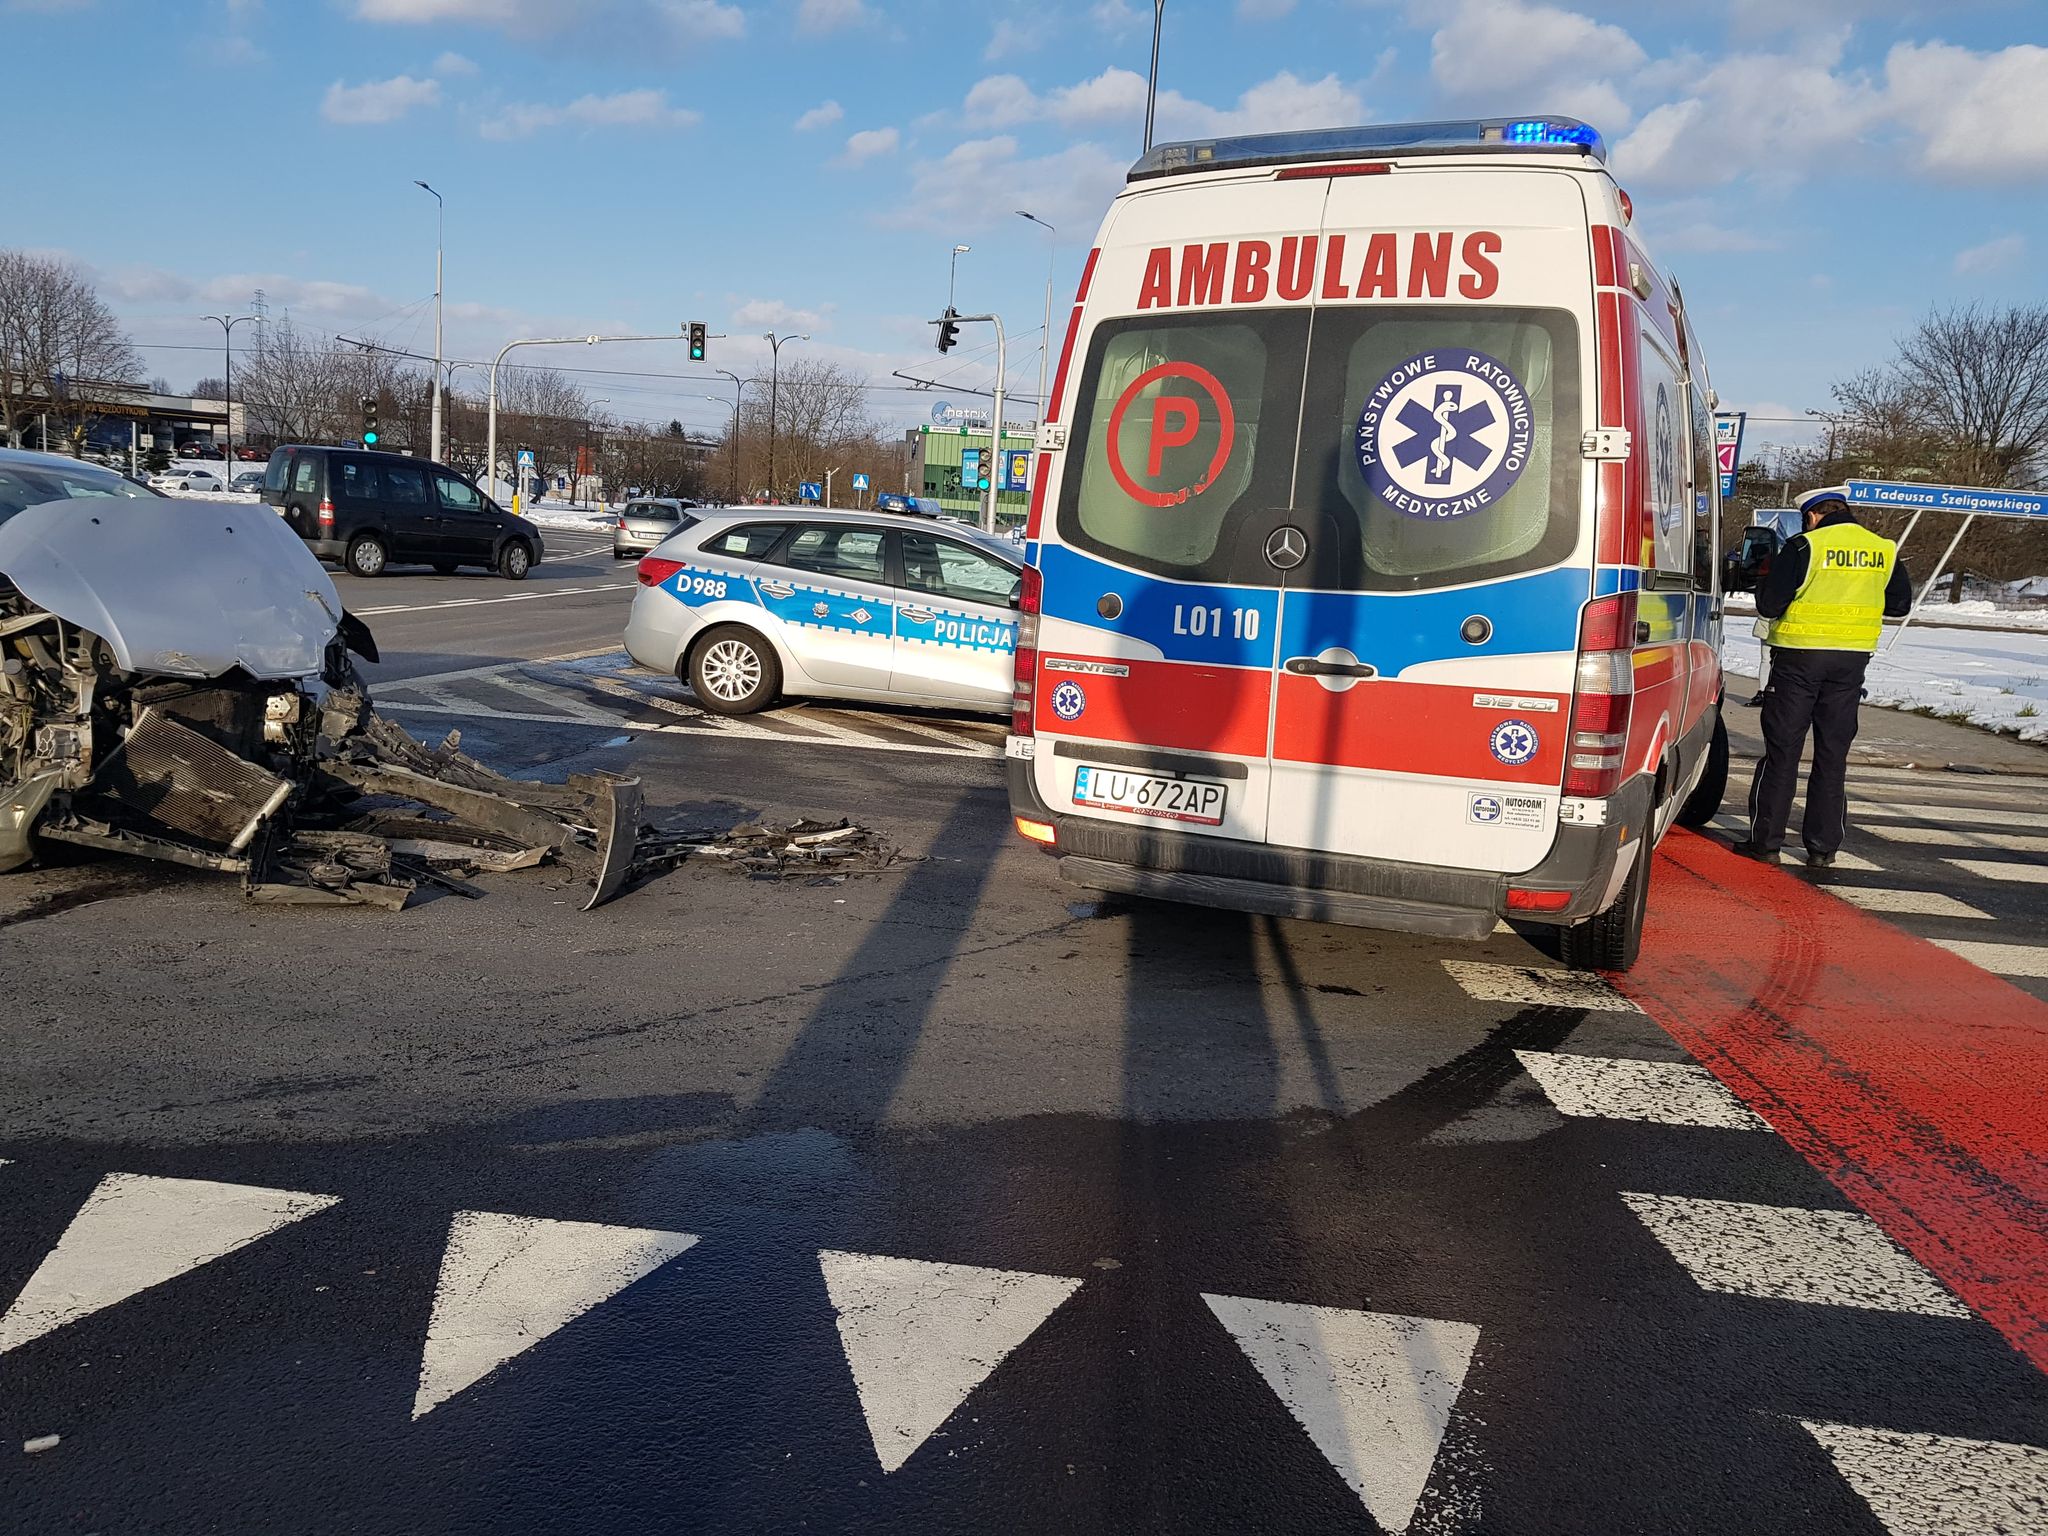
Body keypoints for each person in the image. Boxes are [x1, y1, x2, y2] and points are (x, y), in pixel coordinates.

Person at [1737, 485, 1912, 867]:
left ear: (1812, 516)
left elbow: (1770, 604)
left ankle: (1766, 842)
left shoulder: (1804, 546)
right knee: (1832, 754)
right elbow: (1899, 605)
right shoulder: (1883, 548)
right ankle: (1822, 848)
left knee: (1783, 751)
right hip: (1850, 663)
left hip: (1798, 660)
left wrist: (1766, 577)